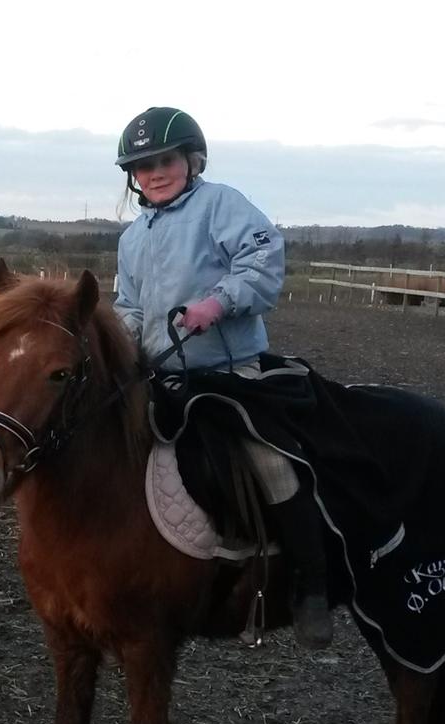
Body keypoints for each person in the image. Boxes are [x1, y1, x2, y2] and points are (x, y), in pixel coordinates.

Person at [112, 106, 333, 649]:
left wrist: (219, 302)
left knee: (272, 460)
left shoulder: (220, 205)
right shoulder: (133, 238)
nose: (154, 173)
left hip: (232, 370)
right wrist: (121, 341)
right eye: (142, 167)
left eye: (164, 161)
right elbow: (130, 306)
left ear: (191, 160)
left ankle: (310, 585)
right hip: (164, 376)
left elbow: (262, 258)